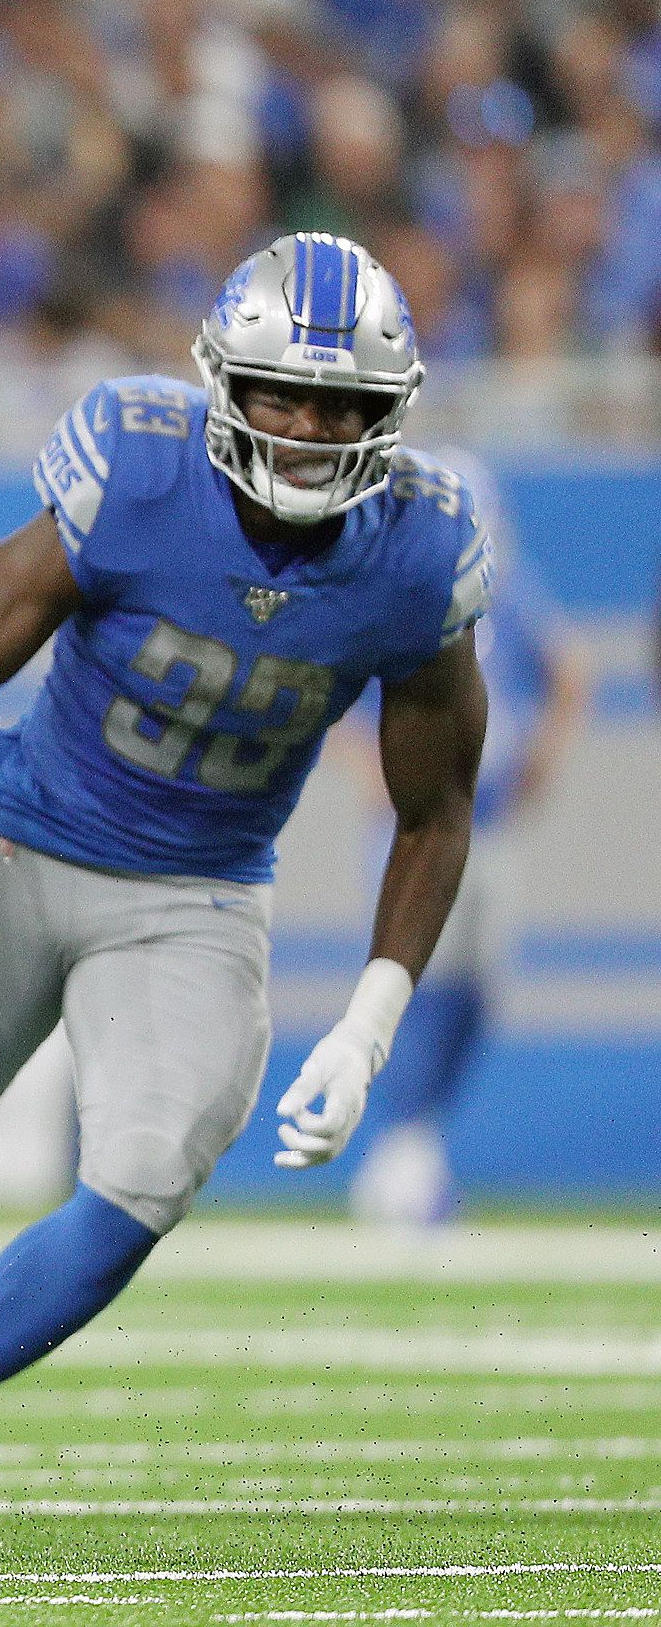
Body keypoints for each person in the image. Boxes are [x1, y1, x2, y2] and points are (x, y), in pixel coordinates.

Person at [0, 232, 491, 1528]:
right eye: (284, 392)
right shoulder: (137, 469)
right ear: (224, 380)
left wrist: (375, 1019)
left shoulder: (417, 555)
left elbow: (437, 813)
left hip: (197, 896)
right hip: (21, 842)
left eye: (344, 404)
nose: (312, 428)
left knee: (146, 1173)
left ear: (392, 415)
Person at [348, 457, 587, 1226]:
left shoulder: (510, 596)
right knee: (415, 982)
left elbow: (570, 667)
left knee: (479, 990)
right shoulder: (398, 597)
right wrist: (367, 770)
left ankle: (416, 1142)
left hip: (491, 820)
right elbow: (340, 692)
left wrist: (543, 757)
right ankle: (401, 1155)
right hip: (420, 824)